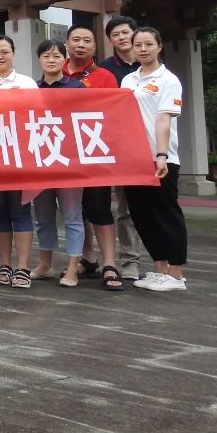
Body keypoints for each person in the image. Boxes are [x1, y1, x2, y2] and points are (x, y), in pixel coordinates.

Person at [123, 26, 190, 292]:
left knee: (166, 214)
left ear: (159, 46)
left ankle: (176, 274)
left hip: (161, 159)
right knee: (141, 215)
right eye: (138, 44)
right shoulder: (128, 80)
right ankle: (159, 269)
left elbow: (163, 120)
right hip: (133, 158)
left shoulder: (168, 80)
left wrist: (161, 155)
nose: (142, 49)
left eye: (148, 44)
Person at [65, 24, 124, 288]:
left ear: (95, 47)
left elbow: (113, 115)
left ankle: (110, 263)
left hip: (94, 153)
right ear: (66, 44)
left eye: (87, 40)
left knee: (99, 208)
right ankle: (88, 259)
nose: (81, 44)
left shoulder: (105, 77)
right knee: (74, 210)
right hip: (64, 152)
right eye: (76, 39)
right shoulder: (56, 72)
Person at [0, 34, 38, 290]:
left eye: (5, 52)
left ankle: (23, 267)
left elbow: (39, 116)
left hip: (19, 156)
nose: (0, 56)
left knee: (20, 210)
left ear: (13, 54)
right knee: (0, 210)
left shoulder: (27, 83)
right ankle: (5, 265)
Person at [30, 39, 87, 287]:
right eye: (46, 56)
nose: (51, 60)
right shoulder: (32, 89)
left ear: (65, 60)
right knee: (42, 216)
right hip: (40, 161)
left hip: (69, 162)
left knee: (72, 216)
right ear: (39, 60)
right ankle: (45, 264)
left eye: (56, 56)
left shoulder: (77, 87)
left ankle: (72, 268)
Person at [98, 14, 143, 280]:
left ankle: (148, 260)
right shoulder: (104, 71)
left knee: (137, 207)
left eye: (125, 32)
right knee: (111, 207)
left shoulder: (150, 65)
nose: (121, 37)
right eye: (115, 35)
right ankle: (119, 261)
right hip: (110, 146)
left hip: (143, 146)